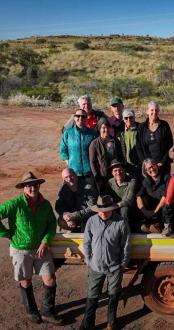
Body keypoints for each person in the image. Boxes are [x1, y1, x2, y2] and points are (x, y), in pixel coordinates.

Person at [0, 172, 62, 325]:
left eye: (34, 184)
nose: (32, 188)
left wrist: (45, 241)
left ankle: (47, 311)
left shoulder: (45, 204)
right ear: (23, 188)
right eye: (28, 185)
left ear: (39, 185)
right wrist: (6, 233)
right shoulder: (15, 204)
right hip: (21, 249)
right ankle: (32, 311)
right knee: (25, 280)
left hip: (41, 248)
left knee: (50, 278)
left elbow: (51, 225)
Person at [80, 195, 130, 330]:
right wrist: (89, 260)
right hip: (95, 266)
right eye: (100, 210)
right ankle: (87, 324)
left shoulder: (120, 222)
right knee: (92, 297)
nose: (102, 212)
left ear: (112, 209)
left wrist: (123, 263)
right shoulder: (91, 221)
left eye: (106, 209)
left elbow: (125, 244)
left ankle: (111, 322)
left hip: (114, 266)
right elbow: (86, 243)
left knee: (113, 296)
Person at [59, 109, 97, 183]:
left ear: (86, 118)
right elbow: (63, 150)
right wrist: (69, 162)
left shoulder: (93, 133)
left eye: (83, 116)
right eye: (78, 116)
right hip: (73, 172)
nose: (80, 118)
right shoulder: (68, 133)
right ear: (74, 118)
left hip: (89, 172)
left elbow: (97, 150)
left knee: (89, 192)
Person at [55, 168, 98, 232]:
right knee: (61, 221)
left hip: (87, 216)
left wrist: (74, 215)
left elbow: (92, 208)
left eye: (71, 176)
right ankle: (74, 229)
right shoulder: (63, 189)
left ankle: (84, 230)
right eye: (66, 177)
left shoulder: (88, 187)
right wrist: (65, 215)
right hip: (72, 217)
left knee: (86, 228)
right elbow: (58, 205)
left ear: (75, 175)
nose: (69, 179)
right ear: (64, 180)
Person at [136, 101, 173, 175]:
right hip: (148, 167)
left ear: (158, 111)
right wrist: (145, 163)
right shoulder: (141, 127)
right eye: (152, 110)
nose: (154, 112)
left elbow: (170, 145)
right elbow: (138, 147)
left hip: (162, 165)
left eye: (156, 110)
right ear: (147, 111)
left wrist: (163, 162)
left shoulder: (164, 125)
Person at [89, 119, 124, 194]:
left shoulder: (115, 141)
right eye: (103, 127)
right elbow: (92, 162)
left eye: (108, 127)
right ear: (99, 129)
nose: (106, 130)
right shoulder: (94, 144)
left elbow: (120, 156)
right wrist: (96, 176)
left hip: (115, 174)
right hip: (102, 176)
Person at [136, 159, 169, 234]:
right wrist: (144, 211)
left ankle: (159, 226)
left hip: (163, 208)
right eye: (148, 168)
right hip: (151, 212)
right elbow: (138, 196)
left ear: (156, 165)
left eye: (152, 166)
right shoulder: (146, 181)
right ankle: (150, 225)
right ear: (146, 171)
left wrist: (154, 211)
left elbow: (165, 196)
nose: (151, 169)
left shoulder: (166, 177)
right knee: (144, 198)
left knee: (166, 203)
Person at [107, 160, 138, 231]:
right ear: (112, 173)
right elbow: (108, 197)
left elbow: (129, 200)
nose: (118, 173)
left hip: (129, 208)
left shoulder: (132, 181)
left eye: (120, 170)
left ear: (124, 170)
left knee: (124, 210)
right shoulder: (110, 182)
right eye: (115, 171)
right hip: (114, 207)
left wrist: (116, 205)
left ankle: (124, 232)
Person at [117, 108, 141, 178]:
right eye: (126, 118)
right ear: (123, 119)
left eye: (131, 117)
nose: (128, 120)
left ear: (134, 118)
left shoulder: (141, 129)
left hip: (139, 164)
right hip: (126, 165)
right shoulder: (120, 132)